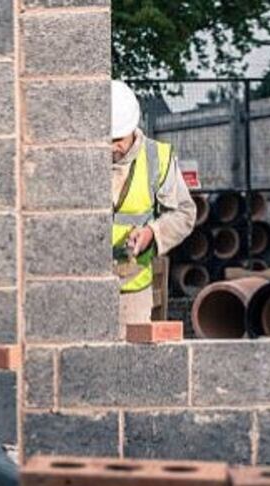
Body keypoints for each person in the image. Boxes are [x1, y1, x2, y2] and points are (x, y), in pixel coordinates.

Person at [111, 80, 196, 334]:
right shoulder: (81, 156)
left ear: (131, 128)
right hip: (83, 288)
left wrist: (152, 233)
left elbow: (185, 213)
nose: (111, 147)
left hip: (132, 290)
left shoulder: (156, 157)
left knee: (130, 368)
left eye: (117, 139)